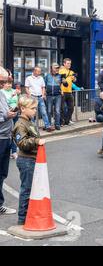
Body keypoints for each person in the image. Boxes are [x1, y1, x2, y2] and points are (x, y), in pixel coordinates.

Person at [12, 95, 45, 225]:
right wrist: (36, 141)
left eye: (35, 108)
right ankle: (22, 218)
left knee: (31, 189)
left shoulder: (29, 122)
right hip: (26, 161)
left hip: (32, 159)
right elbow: (22, 143)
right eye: (32, 108)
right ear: (23, 108)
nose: (35, 111)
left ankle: (28, 216)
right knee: (26, 189)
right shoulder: (20, 124)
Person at [0, 67, 17, 216]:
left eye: (6, 81)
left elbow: (4, 111)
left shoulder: (2, 94)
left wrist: (11, 111)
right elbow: (3, 116)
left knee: (2, 173)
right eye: (2, 81)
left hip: (6, 137)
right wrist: (6, 116)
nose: (4, 84)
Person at [25, 67, 53, 132]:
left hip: (40, 97)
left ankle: (48, 126)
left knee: (44, 112)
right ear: (34, 71)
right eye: (38, 71)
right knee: (32, 113)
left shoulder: (41, 78)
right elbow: (26, 87)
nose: (40, 73)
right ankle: (33, 128)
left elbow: (43, 87)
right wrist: (29, 94)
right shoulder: (28, 78)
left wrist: (43, 95)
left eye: (40, 71)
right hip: (33, 97)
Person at [2, 78, 20, 159]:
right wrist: (12, 96)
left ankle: (14, 151)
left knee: (14, 133)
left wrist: (18, 95)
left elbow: (17, 101)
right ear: (3, 84)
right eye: (7, 83)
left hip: (15, 114)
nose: (9, 85)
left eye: (10, 83)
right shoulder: (2, 92)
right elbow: (6, 103)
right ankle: (7, 151)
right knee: (7, 134)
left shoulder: (14, 90)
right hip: (7, 115)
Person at [44, 63, 62, 131]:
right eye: (55, 68)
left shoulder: (60, 76)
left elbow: (65, 84)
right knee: (48, 111)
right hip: (49, 96)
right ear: (51, 68)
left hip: (58, 95)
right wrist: (44, 93)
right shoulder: (47, 76)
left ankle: (57, 124)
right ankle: (48, 125)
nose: (57, 69)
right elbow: (44, 85)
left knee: (57, 111)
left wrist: (64, 82)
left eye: (58, 68)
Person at [59, 58, 77, 126]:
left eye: (70, 63)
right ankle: (61, 122)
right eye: (68, 63)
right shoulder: (60, 71)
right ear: (64, 64)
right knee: (62, 108)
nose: (69, 65)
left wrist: (74, 78)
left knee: (71, 107)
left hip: (69, 92)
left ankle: (67, 121)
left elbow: (74, 80)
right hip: (62, 92)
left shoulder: (71, 72)